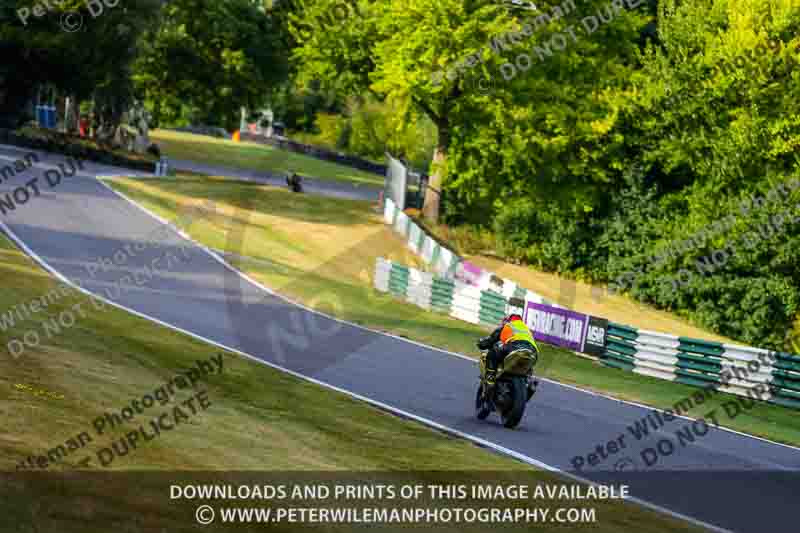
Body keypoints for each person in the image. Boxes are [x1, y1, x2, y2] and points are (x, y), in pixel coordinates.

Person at [477, 313, 538, 390]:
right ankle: (527, 382)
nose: (502, 323)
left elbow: (489, 341)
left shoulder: (508, 326)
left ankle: (490, 379)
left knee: (493, 351)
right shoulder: (526, 329)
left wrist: (480, 343)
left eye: (504, 321)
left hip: (515, 346)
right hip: (533, 352)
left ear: (508, 320)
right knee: (527, 365)